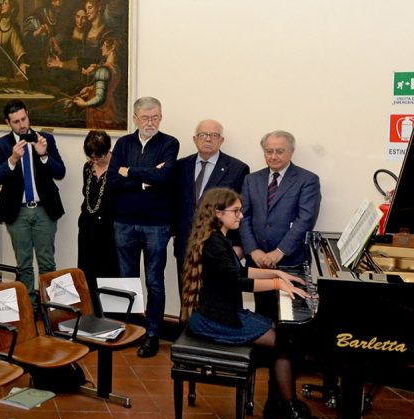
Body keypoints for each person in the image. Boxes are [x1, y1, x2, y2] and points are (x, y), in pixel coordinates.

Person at [179, 188, 333, 419]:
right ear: (218, 213)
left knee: (280, 334)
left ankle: (281, 404)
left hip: (224, 313)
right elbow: (236, 282)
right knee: (285, 342)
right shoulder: (214, 244)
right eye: (236, 211)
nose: (241, 216)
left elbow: (240, 272)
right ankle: (291, 414)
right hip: (216, 320)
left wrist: (277, 273)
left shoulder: (218, 238)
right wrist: (276, 285)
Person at [107, 96, 178, 357]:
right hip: (124, 221)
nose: (151, 122)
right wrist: (145, 179)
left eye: (156, 117)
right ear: (135, 118)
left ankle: (152, 334)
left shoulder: (170, 143)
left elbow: (165, 176)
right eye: (146, 118)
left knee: (155, 282)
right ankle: (130, 328)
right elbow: (113, 179)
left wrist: (131, 171)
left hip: (156, 224)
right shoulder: (123, 143)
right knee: (126, 279)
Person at [238, 130, 321, 319]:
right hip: (258, 261)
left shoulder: (307, 180)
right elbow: (243, 216)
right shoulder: (251, 179)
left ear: (291, 152)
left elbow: (305, 220)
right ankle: (264, 347)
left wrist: (279, 251)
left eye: (279, 151)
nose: (273, 156)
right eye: (269, 151)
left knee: (288, 316)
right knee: (263, 314)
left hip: (290, 261)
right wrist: (253, 250)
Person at [0, 99, 66, 301]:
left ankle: (51, 309)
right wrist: (12, 159)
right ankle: (29, 311)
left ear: (28, 115)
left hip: (44, 210)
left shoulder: (45, 139)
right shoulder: (1, 144)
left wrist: (44, 156)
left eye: (24, 119)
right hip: (18, 212)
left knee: (47, 264)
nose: (22, 124)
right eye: (16, 121)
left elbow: (60, 172)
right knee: (23, 265)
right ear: (8, 123)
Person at [174, 119, 249, 274]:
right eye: (203, 135)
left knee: (215, 295)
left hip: (218, 246)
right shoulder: (181, 166)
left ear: (221, 140)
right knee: (187, 295)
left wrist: (238, 244)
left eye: (214, 135)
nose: (208, 139)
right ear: (195, 139)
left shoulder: (237, 169)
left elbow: (242, 210)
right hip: (185, 245)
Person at [76, 130, 119, 282]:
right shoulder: (87, 168)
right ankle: (90, 306)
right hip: (87, 227)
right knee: (86, 273)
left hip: (109, 231)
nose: (94, 160)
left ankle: (106, 307)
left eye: (98, 156)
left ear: (108, 151)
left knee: (108, 274)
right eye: (91, 156)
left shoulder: (119, 168)